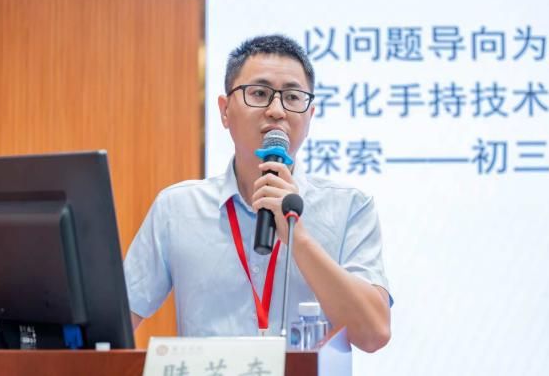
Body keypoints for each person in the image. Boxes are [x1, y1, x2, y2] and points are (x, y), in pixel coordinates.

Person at [124, 34, 392, 353]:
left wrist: (299, 238)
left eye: (292, 97)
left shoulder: (349, 207)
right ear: (225, 111)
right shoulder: (177, 209)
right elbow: (115, 325)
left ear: (310, 115)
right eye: (260, 93)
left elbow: (373, 334)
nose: (277, 110)